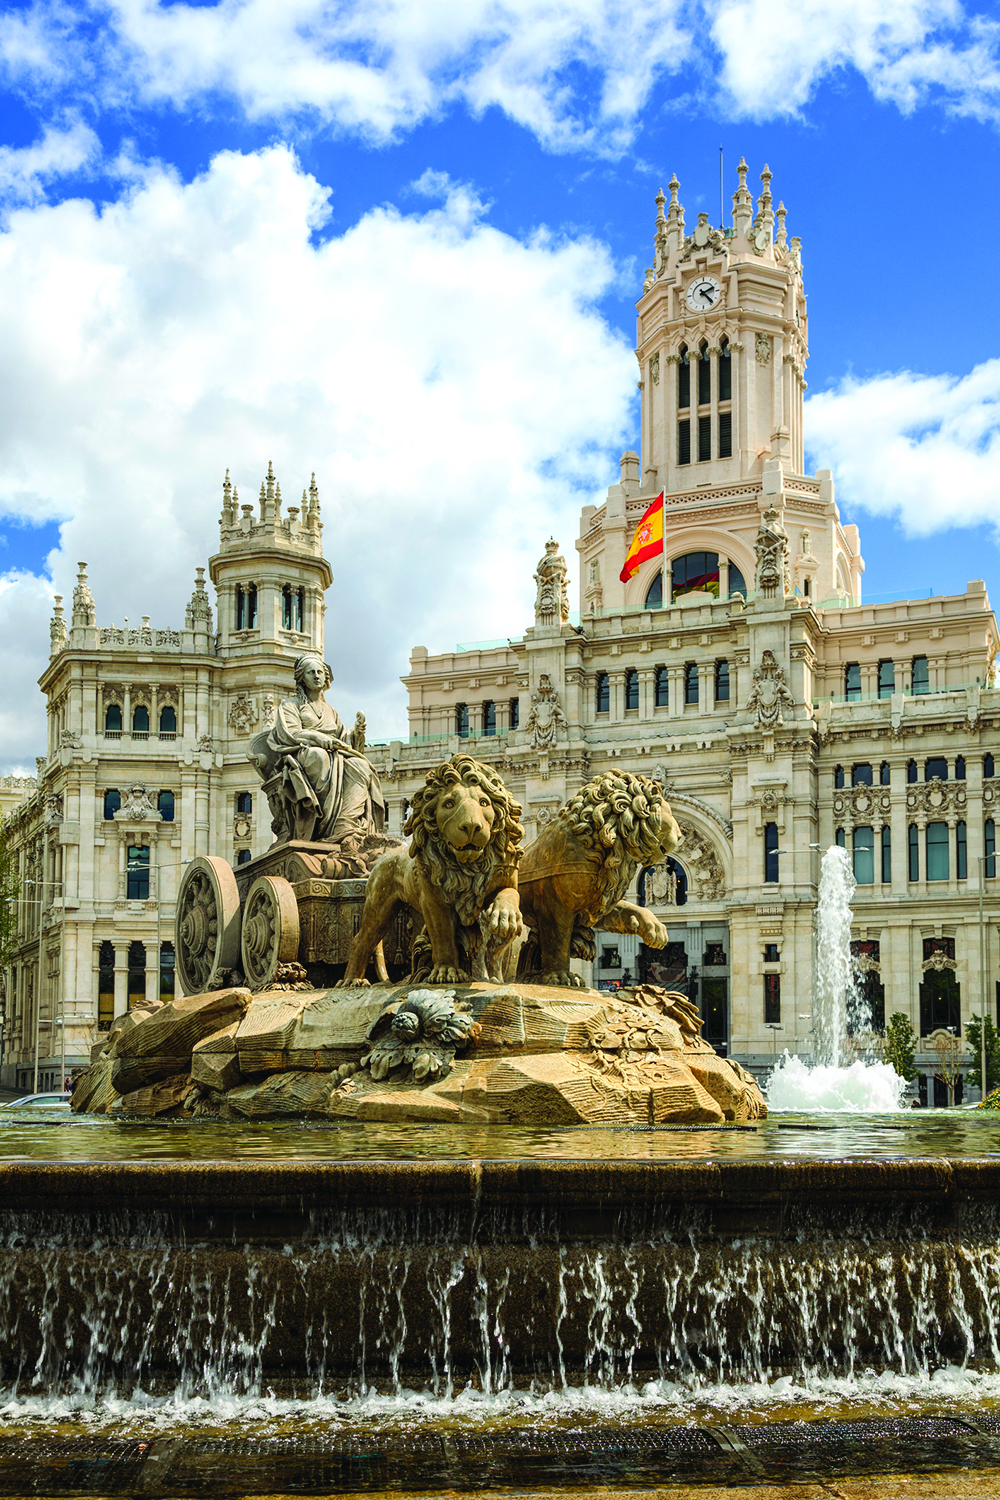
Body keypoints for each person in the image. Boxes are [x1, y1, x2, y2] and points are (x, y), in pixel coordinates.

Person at [263, 653, 386, 844]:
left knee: (361, 765)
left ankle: (344, 823)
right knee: (319, 757)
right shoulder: (290, 706)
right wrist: (319, 739)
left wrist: (357, 734)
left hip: (335, 755)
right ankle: (321, 825)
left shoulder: (331, 711)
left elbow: (344, 738)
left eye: (320, 672)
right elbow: (291, 733)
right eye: (311, 672)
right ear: (302, 677)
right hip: (304, 753)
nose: (317, 676)